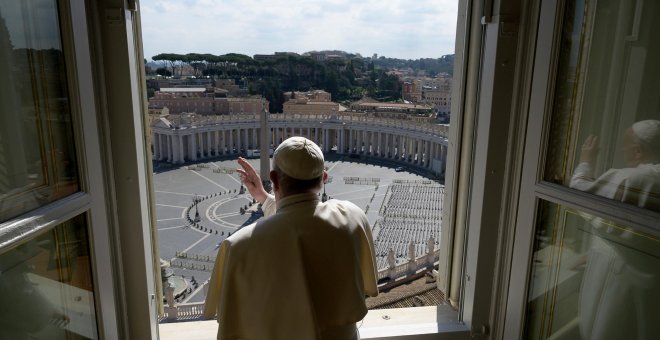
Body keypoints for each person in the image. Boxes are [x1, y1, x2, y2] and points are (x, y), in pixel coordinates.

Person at [204, 136, 378, 340]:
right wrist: (263, 197)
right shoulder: (353, 216)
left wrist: (265, 196)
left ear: (274, 179)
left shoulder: (237, 246)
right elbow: (301, 218)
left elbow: (232, 329)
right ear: (324, 178)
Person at [569, 120, 660, 340]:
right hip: (648, 274)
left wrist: (585, 162)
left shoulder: (631, 178)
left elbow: (580, 194)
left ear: (638, 151)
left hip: (617, 274)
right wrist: (591, 254)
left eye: (626, 145)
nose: (622, 149)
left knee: (606, 328)